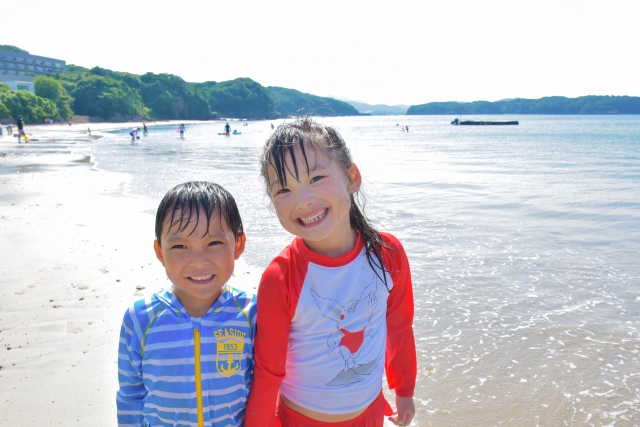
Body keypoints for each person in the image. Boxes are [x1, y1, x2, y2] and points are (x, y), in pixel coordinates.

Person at [245, 118, 416, 427]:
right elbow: (268, 370)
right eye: (283, 189)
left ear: (352, 177)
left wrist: (404, 389)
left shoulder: (386, 254)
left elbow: (399, 327)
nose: (303, 200)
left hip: (370, 415)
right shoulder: (280, 277)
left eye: (316, 178)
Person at [116, 181, 256, 426]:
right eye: (180, 246)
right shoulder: (141, 319)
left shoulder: (251, 313)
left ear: (239, 244)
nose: (198, 261)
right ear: (160, 251)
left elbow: (264, 389)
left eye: (214, 243)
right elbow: (131, 394)